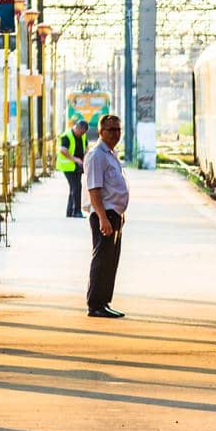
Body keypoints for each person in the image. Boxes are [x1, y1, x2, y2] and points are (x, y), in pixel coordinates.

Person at [83, 114, 129, 320]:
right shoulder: (97, 155)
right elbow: (94, 189)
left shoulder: (111, 153)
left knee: (111, 260)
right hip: (104, 215)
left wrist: (120, 212)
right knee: (101, 260)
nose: (116, 134)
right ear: (101, 132)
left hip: (114, 214)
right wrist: (102, 218)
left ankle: (104, 302)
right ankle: (95, 304)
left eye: (118, 129)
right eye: (111, 130)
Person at [57, 119, 89, 218]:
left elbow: (86, 147)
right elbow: (63, 150)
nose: (82, 134)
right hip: (68, 166)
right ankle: (77, 211)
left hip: (77, 166)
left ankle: (70, 211)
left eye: (84, 133)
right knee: (76, 187)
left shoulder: (83, 135)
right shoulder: (67, 136)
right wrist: (75, 159)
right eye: (82, 132)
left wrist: (85, 156)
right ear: (78, 128)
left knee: (74, 188)